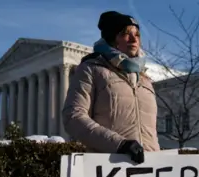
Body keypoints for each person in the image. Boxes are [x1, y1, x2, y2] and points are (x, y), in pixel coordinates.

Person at [62, 11, 160, 164]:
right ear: (113, 39)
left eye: (137, 34)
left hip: (150, 170)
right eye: (126, 33)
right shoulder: (92, 69)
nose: (134, 39)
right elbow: (73, 117)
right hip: (110, 168)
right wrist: (119, 144)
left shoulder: (145, 79)